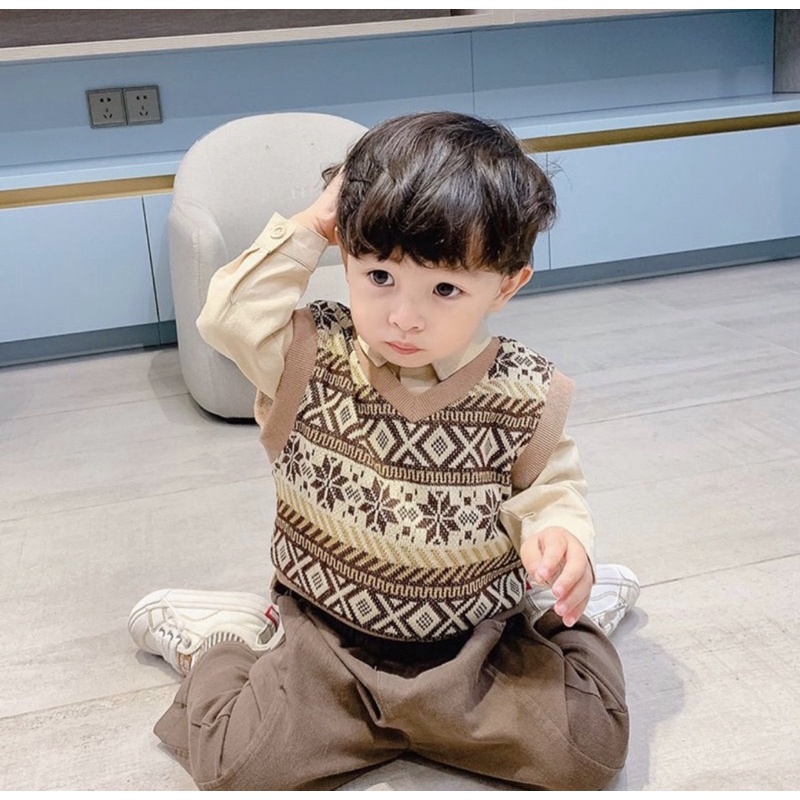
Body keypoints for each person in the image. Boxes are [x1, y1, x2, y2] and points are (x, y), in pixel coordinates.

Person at [129, 111, 640, 790]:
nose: (403, 316)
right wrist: (313, 224)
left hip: (476, 646)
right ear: (346, 254)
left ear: (507, 285)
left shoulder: (524, 393)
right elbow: (225, 317)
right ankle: (224, 640)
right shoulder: (306, 355)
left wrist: (561, 538)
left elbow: (551, 490)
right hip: (325, 640)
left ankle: (568, 621)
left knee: (589, 753)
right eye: (378, 276)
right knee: (238, 766)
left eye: (445, 289)